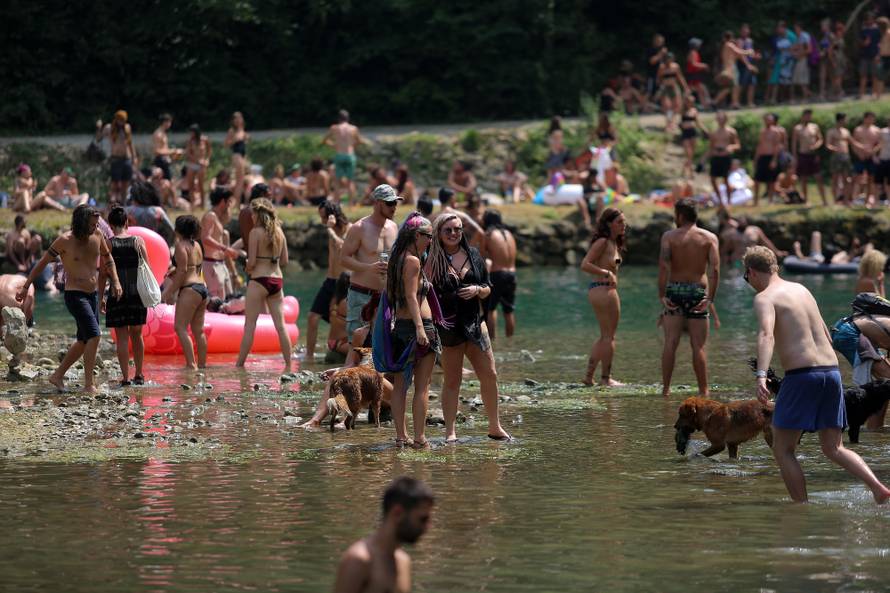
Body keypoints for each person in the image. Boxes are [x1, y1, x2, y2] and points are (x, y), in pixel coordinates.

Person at [745, 246, 890, 504]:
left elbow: (766, 335)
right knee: (834, 447)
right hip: (830, 372)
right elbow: (825, 333)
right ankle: (878, 489)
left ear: (752, 272)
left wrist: (761, 375)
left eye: (747, 278)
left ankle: (800, 510)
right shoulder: (803, 290)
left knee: (783, 449)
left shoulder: (765, 297)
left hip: (802, 375)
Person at [16, 205, 122, 393]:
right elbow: (41, 264)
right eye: (91, 225)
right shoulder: (64, 240)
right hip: (75, 295)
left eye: (96, 224)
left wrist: (115, 282)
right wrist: (25, 287)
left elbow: (109, 260)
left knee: (83, 340)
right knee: (95, 335)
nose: (95, 228)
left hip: (92, 295)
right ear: (81, 223)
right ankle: (89, 385)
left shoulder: (98, 235)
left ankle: (57, 376)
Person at [426, 213, 510, 442]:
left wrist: (477, 290)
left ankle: (495, 426)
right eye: (448, 230)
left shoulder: (473, 254)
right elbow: (425, 292)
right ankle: (450, 432)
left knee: (490, 375)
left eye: (458, 229)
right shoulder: (432, 259)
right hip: (449, 328)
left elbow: (488, 287)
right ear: (438, 233)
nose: (454, 233)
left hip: (475, 323)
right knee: (453, 381)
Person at [373, 213, 439, 448]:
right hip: (418, 326)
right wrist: (420, 328)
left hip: (400, 327)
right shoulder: (412, 261)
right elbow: (412, 296)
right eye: (428, 236)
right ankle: (420, 438)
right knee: (422, 386)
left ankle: (401, 437)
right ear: (415, 235)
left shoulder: (396, 260)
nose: (430, 241)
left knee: (400, 386)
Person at [658, 199, 719, 398]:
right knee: (698, 346)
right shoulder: (709, 238)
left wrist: (662, 295)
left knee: (670, 342)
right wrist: (710, 298)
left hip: (675, 291)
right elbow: (714, 270)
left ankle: (666, 390)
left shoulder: (669, 236)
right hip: (697, 293)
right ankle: (704, 391)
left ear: (681, 215)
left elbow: (663, 267)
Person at [333, 476, 434, 593]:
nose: (427, 527)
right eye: (422, 519)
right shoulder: (358, 561)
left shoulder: (403, 562)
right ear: (397, 514)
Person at [236, 199, 292, 374]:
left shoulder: (255, 233)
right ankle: (289, 365)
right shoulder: (279, 232)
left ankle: (239, 366)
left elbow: (252, 262)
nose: (251, 217)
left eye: (253, 214)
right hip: (276, 280)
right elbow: (285, 261)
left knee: (250, 325)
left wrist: (247, 266)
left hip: (259, 280)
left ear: (258, 215)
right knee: (281, 327)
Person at [340, 184, 401, 344]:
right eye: (390, 203)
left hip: (386, 295)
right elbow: (344, 258)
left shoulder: (393, 227)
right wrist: (368, 268)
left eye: (395, 202)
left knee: (386, 344)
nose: (394, 207)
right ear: (378, 203)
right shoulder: (359, 228)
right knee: (358, 345)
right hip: (362, 295)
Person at [100, 206, 148, 386]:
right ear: (127, 222)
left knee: (122, 337)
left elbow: (102, 274)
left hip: (117, 293)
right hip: (137, 293)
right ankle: (140, 374)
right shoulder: (138, 241)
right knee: (137, 334)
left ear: (111, 225)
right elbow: (147, 269)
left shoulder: (109, 244)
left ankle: (126, 378)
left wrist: (100, 297)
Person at [580, 208, 626, 386]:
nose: (623, 225)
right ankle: (606, 379)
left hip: (604, 290)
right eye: (619, 222)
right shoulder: (603, 242)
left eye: (624, 222)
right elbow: (585, 264)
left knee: (605, 336)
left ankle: (589, 377)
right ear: (609, 224)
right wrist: (606, 272)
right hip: (603, 290)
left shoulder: (613, 243)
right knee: (609, 337)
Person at [306, 201, 352, 360]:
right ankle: (309, 356)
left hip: (344, 282)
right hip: (330, 280)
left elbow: (341, 245)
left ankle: (346, 349)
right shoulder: (330, 230)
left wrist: (330, 230)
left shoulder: (351, 229)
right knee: (312, 317)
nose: (322, 222)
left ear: (333, 216)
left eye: (324, 217)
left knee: (341, 319)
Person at [162, 215, 208, 370]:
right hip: (202, 289)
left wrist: (168, 292)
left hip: (190, 290)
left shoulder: (180, 246)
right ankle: (202, 366)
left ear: (178, 230)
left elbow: (182, 272)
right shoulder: (197, 245)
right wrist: (176, 270)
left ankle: (191, 365)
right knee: (198, 331)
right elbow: (193, 267)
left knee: (180, 328)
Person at [482, 210, 517, 339]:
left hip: (497, 274)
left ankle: (492, 341)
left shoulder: (488, 235)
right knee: (509, 311)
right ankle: (510, 341)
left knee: (490, 310)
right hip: (512, 274)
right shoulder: (509, 234)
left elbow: (481, 255)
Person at [201, 187, 240, 300]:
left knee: (229, 300)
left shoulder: (217, 218)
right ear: (223, 201)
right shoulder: (210, 216)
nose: (230, 204)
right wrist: (225, 249)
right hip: (212, 264)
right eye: (229, 201)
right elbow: (205, 238)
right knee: (218, 302)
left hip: (220, 264)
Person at [324, 109, 365, 203]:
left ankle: (336, 203)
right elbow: (359, 141)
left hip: (339, 154)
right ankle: (351, 204)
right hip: (350, 155)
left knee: (337, 182)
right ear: (348, 118)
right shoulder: (353, 128)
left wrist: (334, 145)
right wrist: (352, 145)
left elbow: (325, 140)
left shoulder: (334, 128)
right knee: (350, 182)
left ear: (338, 118)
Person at [99, 110, 137, 204]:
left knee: (125, 183)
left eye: (123, 120)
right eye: (120, 120)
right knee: (115, 184)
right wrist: (99, 128)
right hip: (116, 158)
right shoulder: (109, 128)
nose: (122, 122)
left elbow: (130, 143)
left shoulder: (127, 127)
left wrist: (134, 157)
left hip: (126, 158)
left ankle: (123, 203)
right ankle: (112, 202)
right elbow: (99, 138)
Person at [712, 31, 755, 108]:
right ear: (731, 38)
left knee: (729, 88)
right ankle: (734, 103)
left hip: (727, 68)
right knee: (735, 86)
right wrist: (749, 51)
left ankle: (715, 102)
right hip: (731, 69)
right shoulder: (729, 44)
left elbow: (735, 56)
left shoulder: (724, 46)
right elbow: (739, 51)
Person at [791, 109, 826, 205]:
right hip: (803, 154)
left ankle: (824, 200)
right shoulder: (797, 128)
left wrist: (816, 145)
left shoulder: (814, 127)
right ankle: (805, 200)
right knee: (804, 178)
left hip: (813, 154)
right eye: (806, 116)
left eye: (809, 116)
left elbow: (820, 139)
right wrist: (794, 157)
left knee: (818, 177)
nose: (808, 117)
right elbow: (794, 144)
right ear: (802, 116)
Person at [707, 112, 741, 204]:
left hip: (725, 157)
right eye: (719, 118)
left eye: (722, 118)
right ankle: (720, 200)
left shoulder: (731, 131)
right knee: (713, 179)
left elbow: (738, 145)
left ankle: (729, 201)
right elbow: (711, 147)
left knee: (725, 179)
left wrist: (730, 147)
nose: (720, 120)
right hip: (716, 157)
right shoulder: (714, 132)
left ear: (726, 119)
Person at [826, 113, 856, 205]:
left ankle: (845, 200)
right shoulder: (831, 131)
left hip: (846, 156)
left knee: (846, 179)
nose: (846, 121)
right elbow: (828, 144)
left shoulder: (846, 131)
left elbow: (853, 142)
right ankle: (835, 200)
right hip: (836, 156)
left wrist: (864, 148)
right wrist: (833, 148)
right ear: (840, 120)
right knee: (835, 179)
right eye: (845, 119)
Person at [753, 113, 783, 205]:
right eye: (767, 120)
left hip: (771, 156)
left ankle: (770, 200)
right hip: (762, 156)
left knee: (771, 180)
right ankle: (756, 200)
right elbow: (760, 145)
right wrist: (756, 158)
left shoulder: (776, 132)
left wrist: (774, 159)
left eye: (770, 120)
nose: (768, 121)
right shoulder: (762, 131)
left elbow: (777, 146)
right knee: (757, 179)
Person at [852, 111, 881, 206]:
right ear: (865, 118)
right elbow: (853, 143)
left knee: (871, 179)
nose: (871, 120)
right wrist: (859, 154)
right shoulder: (858, 130)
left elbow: (880, 143)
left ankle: (868, 200)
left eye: (872, 118)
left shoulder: (876, 130)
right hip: (861, 157)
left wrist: (873, 152)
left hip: (871, 157)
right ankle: (854, 198)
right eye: (869, 118)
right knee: (857, 178)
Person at [656, 52, 688, 132]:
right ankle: (668, 124)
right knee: (667, 106)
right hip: (665, 87)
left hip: (674, 86)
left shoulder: (675, 66)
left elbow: (680, 77)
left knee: (677, 105)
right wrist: (660, 88)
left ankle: (673, 123)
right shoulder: (662, 67)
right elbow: (658, 78)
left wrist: (685, 87)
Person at [766, 21, 796, 105]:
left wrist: (789, 50)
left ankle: (791, 99)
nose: (777, 30)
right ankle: (776, 99)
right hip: (780, 61)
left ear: (783, 28)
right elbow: (778, 48)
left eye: (779, 28)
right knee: (778, 80)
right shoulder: (779, 36)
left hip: (789, 62)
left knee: (789, 80)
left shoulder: (791, 35)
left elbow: (796, 46)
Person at [183, 124, 212, 209]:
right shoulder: (190, 141)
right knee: (191, 185)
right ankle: (192, 204)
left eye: (192, 132)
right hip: (192, 163)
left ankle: (203, 204)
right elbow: (188, 153)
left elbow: (209, 151)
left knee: (201, 185)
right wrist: (196, 160)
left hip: (202, 164)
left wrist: (207, 160)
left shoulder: (204, 139)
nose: (191, 134)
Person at [224, 111, 249, 204]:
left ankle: (237, 202)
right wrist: (234, 140)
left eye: (239, 118)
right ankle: (236, 203)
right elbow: (226, 144)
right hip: (236, 155)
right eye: (236, 119)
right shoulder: (232, 131)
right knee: (239, 181)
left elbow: (244, 145)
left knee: (240, 182)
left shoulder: (242, 130)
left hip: (242, 156)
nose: (238, 121)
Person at [678, 94, 704, 180]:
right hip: (685, 133)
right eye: (688, 101)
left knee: (691, 154)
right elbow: (679, 121)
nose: (690, 103)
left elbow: (698, 122)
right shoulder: (682, 110)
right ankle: (691, 172)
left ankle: (685, 170)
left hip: (693, 132)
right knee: (688, 153)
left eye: (691, 101)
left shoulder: (694, 111)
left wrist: (705, 130)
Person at [860, 11, 881, 99]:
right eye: (868, 19)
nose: (869, 20)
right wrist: (864, 43)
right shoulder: (863, 30)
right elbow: (860, 43)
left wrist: (879, 54)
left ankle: (874, 93)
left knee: (874, 75)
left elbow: (880, 43)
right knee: (863, 75)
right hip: (865, 55)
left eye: (871, 19)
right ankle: (862, 94)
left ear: (873, 19)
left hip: (875, 55)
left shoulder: (877, 30)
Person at [152, 113, 180, 180]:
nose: (170, 124)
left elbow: (164, 148)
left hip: (165, 160)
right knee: (166, 181)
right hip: (160, 161)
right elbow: (157, 151)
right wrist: (173, 151)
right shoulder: (158, 134)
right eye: (169, 122)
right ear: (164, 122)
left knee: (170, 181)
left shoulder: (163, 132)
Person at [737, 24, 760, 108]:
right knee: (741, 84)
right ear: (740, 32)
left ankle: (750, 103)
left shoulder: (750, 41)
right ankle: (736, 102)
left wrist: (756, 56)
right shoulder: (739, 41)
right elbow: (740, 54)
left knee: (752, 84)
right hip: (743, 65)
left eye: (746, 31)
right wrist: (747, 65)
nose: (745, 32)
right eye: (743, 31)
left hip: (750, 64)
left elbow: (751, 53)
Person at [791, 22, 813, 103]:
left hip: (803, 60)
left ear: (799, 28)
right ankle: (808, 95)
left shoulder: (804, 36)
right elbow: (797, 47)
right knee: (798, 80)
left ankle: (806, 98)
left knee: (803, 80)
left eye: (796, 29)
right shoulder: (799, 37)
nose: (795, 31)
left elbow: (809, 49)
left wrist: (799, 55)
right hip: (800, 60)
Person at [645, 34, 669, 100]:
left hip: (661, 76)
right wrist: (661, 54)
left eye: (662, 42)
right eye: (659, 41)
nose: (661, 43)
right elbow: (652, 61)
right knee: (649, 92)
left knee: (661, 92)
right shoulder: (650, 50)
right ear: (654, 41)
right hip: (652, 75)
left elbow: (665, 63)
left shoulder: (663, 51)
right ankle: (644, 105)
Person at [829, 21, 848, 100]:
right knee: (837, 78)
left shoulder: (841, 38)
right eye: (838, 30)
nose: (840, 32)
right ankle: (839, 93)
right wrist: (833, 61)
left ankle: (837, 93)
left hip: (841, 60)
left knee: (839, 77)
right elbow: (830, 51)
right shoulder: (835, 40)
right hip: (837, 60)